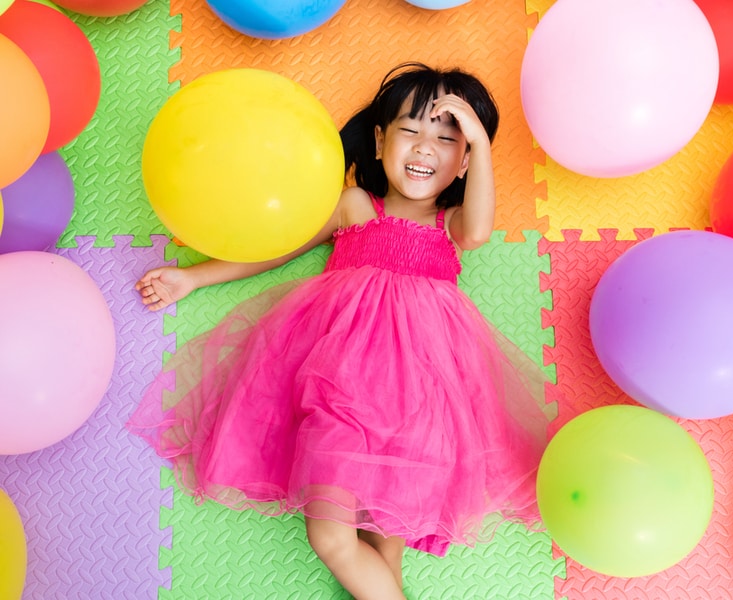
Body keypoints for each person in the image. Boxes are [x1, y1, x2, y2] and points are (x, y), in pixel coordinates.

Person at [128, 62, 556, 600]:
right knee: (332, 535)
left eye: (447, 138)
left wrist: (482, 144)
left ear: (465, 160)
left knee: (385, 546)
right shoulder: (356, 206)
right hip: (341, 388)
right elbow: (277, 245)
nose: (425, 148)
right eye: (410, 130)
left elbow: (480, 228)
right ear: (379, 142)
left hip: (419, 400)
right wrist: (193, 277)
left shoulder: (450, 226)